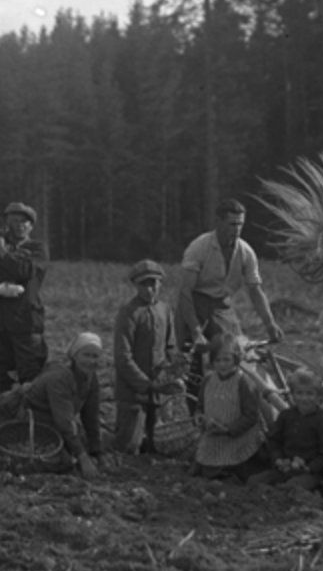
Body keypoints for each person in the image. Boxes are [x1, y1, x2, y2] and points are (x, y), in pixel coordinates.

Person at [0, 332, 104, 480]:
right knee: (59, 461)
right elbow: (64, 423)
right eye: (86, 355)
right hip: (15, 415)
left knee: (80, 442)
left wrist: (96, 451)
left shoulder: (90, 377)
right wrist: (83, 457)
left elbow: (91, 416)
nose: (91, 361)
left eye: (95, 356)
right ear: (75, 356)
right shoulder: (60, 378)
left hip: (47, 417)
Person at [175, 199, 284, 351]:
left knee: (235, 351)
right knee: (192, 355)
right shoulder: (199, 248)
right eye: (232, 224)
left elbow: (255, 290)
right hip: (194, 305)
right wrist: (195, 330)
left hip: (222, 307)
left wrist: (269, 323)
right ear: (218, 222)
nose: (237, 229)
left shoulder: (246, 252)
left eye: (240, 224)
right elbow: (185, 291)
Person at [0, 201, 50, 392]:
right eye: (14, 221)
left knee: (30, 378)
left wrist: (2, 252)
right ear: (6, 224)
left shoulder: (37, 249)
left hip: (25, 323)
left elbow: (25, 271)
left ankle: (30, 411)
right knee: (5, 379)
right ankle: (8, 409)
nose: (19, 225)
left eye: (24, 221)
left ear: (31, 226)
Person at [111, 259, 184, 455]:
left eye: (153, 283)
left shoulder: (165, 310)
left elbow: (170, 346)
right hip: (133, 393)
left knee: (160, 445)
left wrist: (176, 367)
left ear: (160, 283)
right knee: (129, 447)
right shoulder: (129, 313)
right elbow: (122, 357)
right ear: (135, 285)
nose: (149, 289)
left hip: (160, 393)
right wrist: (146, 384)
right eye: (144, 284)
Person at [192, 332, 267, 483]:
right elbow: (200, 406)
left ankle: (236, 471)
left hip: (238, 436)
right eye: (217, 360)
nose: (222, 364)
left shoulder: (243, 382)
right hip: (214, 434)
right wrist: (199, 417)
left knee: (227, 469)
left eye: (227, 360)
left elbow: (251, 416)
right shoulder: (208, 380)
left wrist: (228, 429)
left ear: (236, 359)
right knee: (200, 470)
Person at [248, 368, 323, 493]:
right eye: (299, 393)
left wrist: (309, 467)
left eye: (309, 394)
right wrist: (278, 459)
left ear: (318, 396)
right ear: (292, 395)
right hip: (285, 467)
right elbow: (274, 441)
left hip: (310, 473)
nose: (304, 398)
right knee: (253, 482)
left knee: (290, 489)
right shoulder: (286, 416)